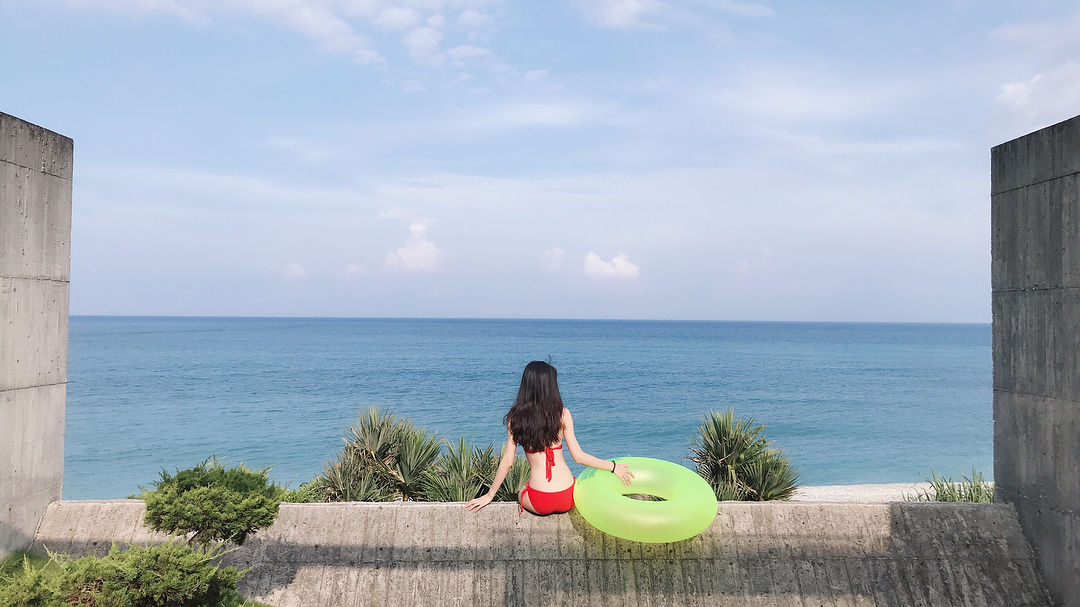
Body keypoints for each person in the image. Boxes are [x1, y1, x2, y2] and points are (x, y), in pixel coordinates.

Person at [465, 361, 634, 515]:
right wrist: (613, 467)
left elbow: (508, 462)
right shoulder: (562, 414)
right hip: (567, 498)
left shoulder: (515, 418)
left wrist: (489, 495)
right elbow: (578, 457)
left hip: (540, 501)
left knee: (522, 490)